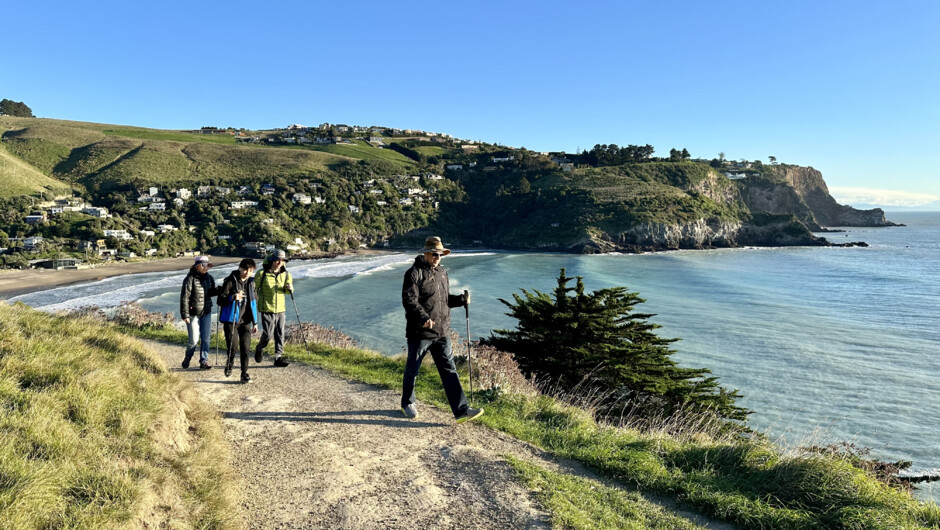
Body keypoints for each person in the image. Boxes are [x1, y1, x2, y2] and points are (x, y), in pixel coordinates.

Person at [401, 236, 483, 424]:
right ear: (426, 253)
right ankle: (407, 403)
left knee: (449, 370)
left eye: (441, 254)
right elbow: (409, 300)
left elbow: (443, 301)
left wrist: (460, 300)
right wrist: (423, 318)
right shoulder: (413, 273)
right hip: (420, 332)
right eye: (434, 254)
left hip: (442, 331)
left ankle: (461, 410)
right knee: (413, 369)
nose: (438, 257)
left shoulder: (442, 273)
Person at [217, 258, 258, 383]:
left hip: (246, 320)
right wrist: (232, 297)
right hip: (231, 320)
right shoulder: (229, 281)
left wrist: (255, 322)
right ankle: (229, 363)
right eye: (245, 269)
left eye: (250, 270)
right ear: (240, 268)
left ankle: (244, 374)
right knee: (233, 347)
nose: (247, 272)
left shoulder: (252, 283)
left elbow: (253, 303)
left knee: (245, 348)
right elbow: (220, 300)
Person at [254, 249, 293, 367]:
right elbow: (254, 289)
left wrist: (290, 288)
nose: (279, 262)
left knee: (280, 333)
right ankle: (260, 348)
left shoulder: (286, 274)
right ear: (272, 259)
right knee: (268, 333)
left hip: (281, 308)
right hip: (266, 307)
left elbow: (287, 291)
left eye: (282, 260)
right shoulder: (262, 274)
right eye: (277, 260)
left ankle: (278, 357)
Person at [180, 255, 220, 370]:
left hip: (206, 312)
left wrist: (219, 290)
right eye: (203, 265)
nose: (206, 267)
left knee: (206, 339)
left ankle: (204, 361)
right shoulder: (189, 279)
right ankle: (188, 357)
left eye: (208, 265)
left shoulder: (209, 278)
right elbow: (184, 298)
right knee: (193, 340)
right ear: (197, 266)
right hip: (193, 314)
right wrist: (185, 315)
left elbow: (210, 292)